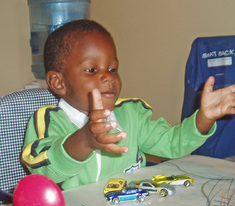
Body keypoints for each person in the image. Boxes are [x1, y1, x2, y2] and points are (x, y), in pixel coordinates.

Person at [21, 19, 235, 190]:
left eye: (113, 69)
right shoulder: (50, 120)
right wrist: (85, 139)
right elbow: (43, 173)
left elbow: (173, 144)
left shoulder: (132, 113)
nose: (108, 77)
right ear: (58, 83)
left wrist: (204, 118)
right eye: (92, 70)